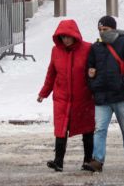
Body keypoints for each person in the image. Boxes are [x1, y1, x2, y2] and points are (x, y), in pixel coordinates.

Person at [83, 15, 124, 172]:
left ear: (113, 28)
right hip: (102, 96)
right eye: (100, 30)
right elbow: (89, 69)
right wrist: (93, 84)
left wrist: (123, 84)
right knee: (100, 129)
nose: (102, 32)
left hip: (120, 95)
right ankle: (97, 160)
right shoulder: (96, 47)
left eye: (105, 29)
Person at [38, 19, 95, 172]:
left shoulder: (88, 48)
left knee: (87, 129)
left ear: (75, 35)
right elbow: (51, 73)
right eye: (63, 37)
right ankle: (58, 161)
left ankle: (88, 160)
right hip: (62, 97)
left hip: (83, 97)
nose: (65, 40)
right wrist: (44, 92)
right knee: (61, 129)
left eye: (68, 36)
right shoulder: (55, 51)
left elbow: (95, 70)